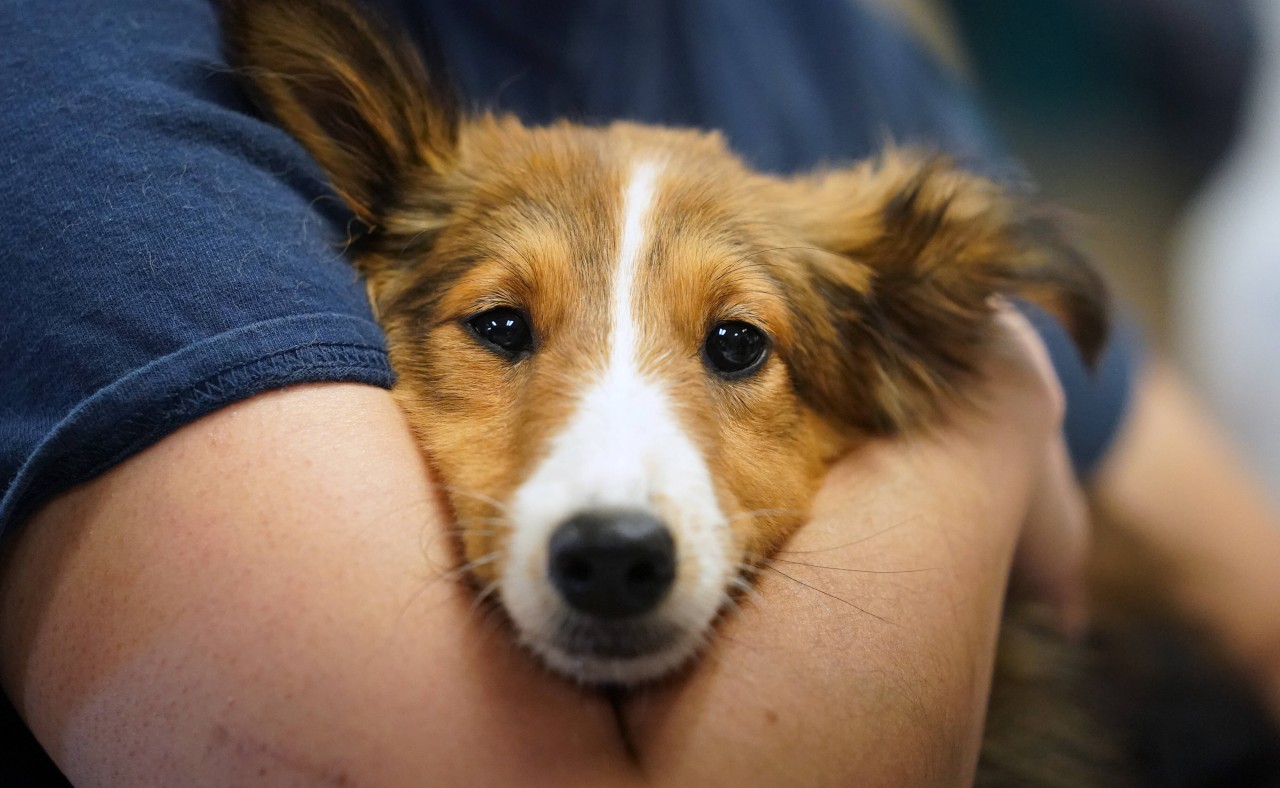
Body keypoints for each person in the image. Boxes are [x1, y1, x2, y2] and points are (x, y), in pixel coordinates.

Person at [1, 0, 1277, 784]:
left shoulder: (829, 38)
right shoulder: (94, 69)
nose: (608, 497)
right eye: (502, 325)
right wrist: (993, 420)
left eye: (733, 347)